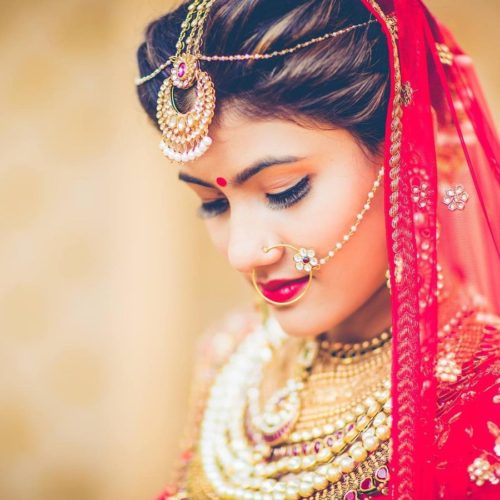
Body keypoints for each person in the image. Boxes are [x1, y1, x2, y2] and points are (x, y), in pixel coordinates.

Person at [134, 0, 499, 498]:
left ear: (411, 151)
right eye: (212, 202)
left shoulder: (484, 395)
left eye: (285, 189)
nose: (244, 253)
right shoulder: (228, 353)